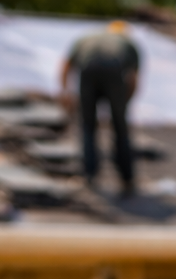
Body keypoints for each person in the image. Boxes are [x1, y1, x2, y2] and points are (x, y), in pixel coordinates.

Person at [60, 21, 140, 196]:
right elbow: (133, 80)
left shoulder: (87, 38)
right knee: (120, 128)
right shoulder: (128, 44)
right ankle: (127, 179)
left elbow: (66, 66)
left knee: (88, 125)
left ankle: (90, 175)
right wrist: (123, 105)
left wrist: (65, 92)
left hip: (88, 70)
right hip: (114, 71)